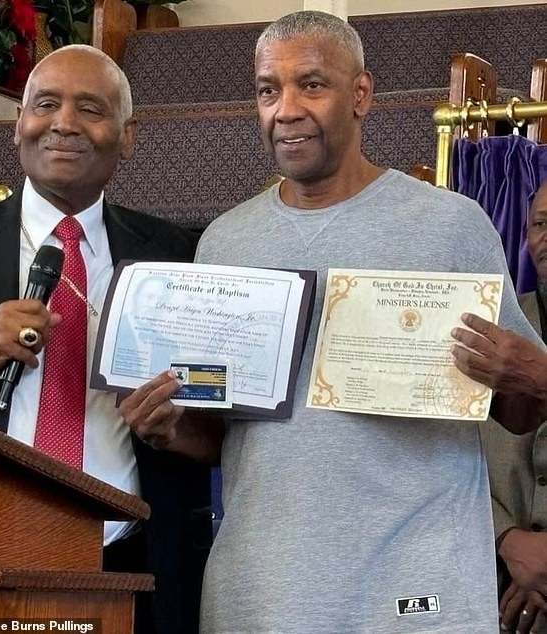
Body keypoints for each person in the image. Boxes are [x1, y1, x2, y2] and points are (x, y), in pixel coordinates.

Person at [120, 12, 547, 633]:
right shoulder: (225, 242)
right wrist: (170, 430)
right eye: (269, 89)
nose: (286, 109)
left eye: (312, 85)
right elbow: (226, 434)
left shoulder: (451, 225)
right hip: (262, 589)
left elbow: (517, 411)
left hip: (418, 585)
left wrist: (529, 371)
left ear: (361, 95)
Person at [0, 45, 210, 634]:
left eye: (90, 108)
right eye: (45, 104)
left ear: (127, 137)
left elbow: (219, 421)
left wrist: (176, 427)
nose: (64, 123)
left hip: (133, 559)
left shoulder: (180, 255)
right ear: (20, 124)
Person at [479, 182, 547, 634]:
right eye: (541, 224)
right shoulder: (494, 334)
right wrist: (508, 540)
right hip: (494, 584)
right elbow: (453, 450)